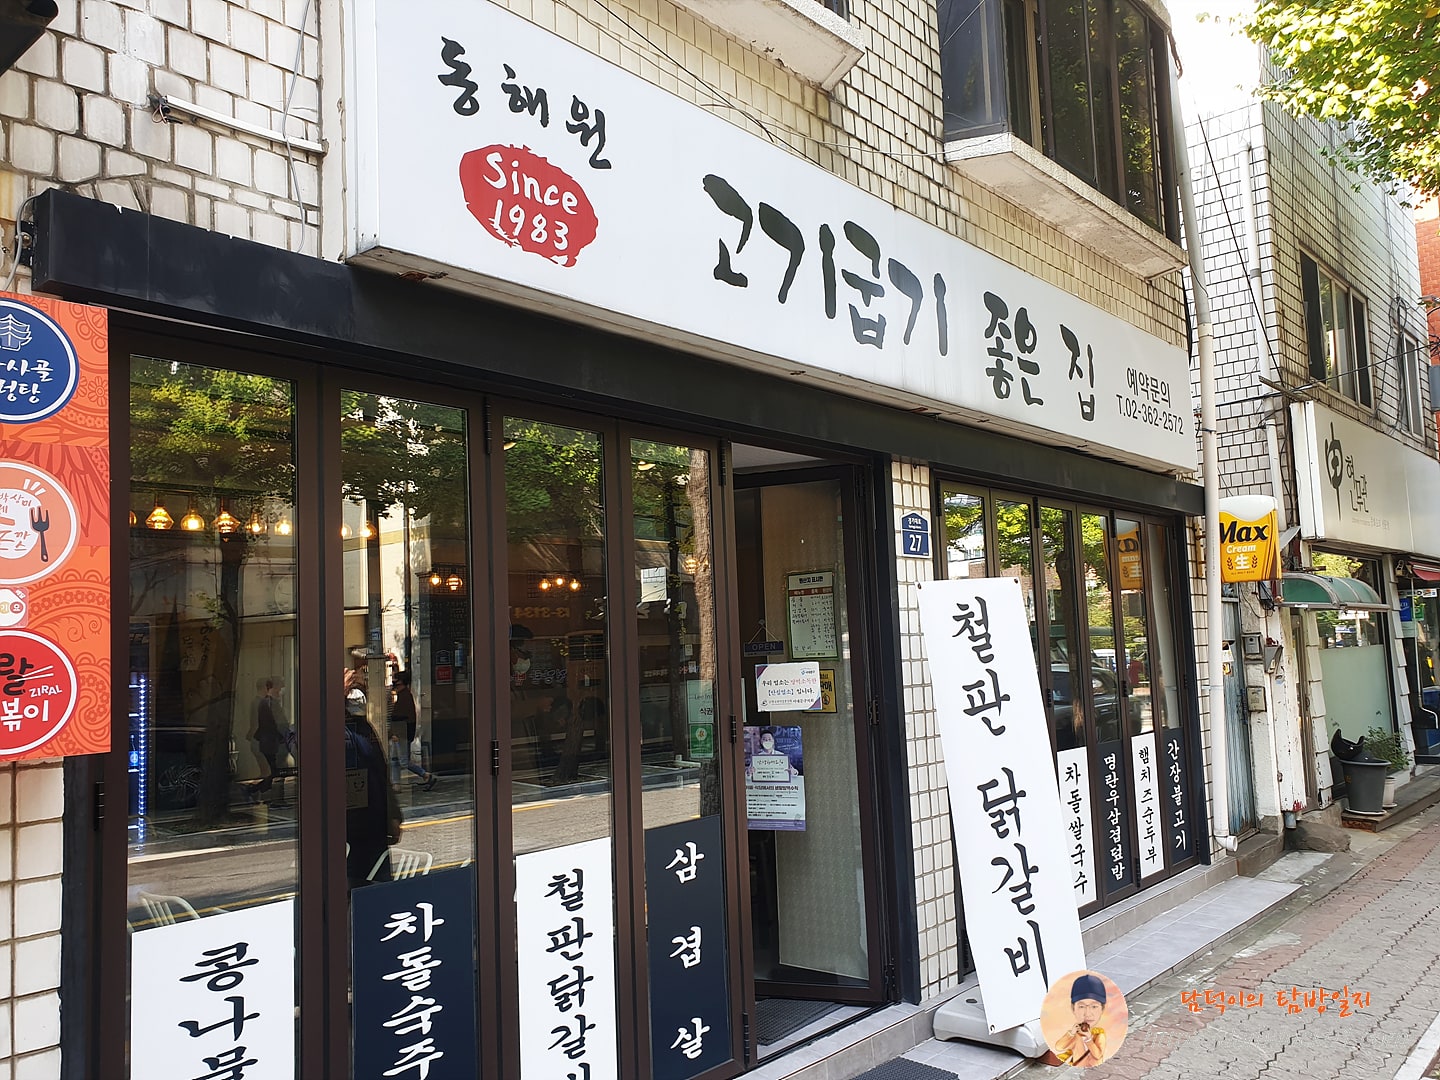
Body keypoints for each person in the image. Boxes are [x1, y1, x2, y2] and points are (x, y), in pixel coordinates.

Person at [344, 667, 402, 889]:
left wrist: (393, 815)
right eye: (350, 690)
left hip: (372, 827)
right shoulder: (328, 727)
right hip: (346, 829)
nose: (356, 696)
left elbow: (380, 772)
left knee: (379, 890)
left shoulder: (363, 728)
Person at [388, 670, 436, 791]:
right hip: (401, 733)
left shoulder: (404, 697)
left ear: (403, 683)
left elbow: (401, 718)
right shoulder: (404, 696)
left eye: (397, 684)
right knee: (395, 759)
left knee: (402, 761)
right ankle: (396, 784)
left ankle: (425, 775)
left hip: (401, 733)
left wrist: (395, 733)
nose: (395, 687)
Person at [1054, 973, 1110, 1066]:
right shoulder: (1076, 1034)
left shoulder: (1099, 1034)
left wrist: (1089, 1039)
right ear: (1073, 1008)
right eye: (1081, 1006)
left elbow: (1098, 1055)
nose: (1087, 1014)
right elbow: (1059, 1047)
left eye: (1094, 1006)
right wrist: (1071, 1033)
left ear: (1102, 1009)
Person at [250, 677, 285, 802]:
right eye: (278, 688)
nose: (280, 691)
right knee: (273, 772)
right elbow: (271, 724)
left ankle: (257, 791)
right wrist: (282, 737)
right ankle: (255, 791)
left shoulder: (265, 702)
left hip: (268, 742)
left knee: (272, 772)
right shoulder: (267, 703)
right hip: (269, 743)